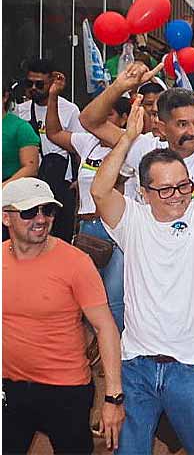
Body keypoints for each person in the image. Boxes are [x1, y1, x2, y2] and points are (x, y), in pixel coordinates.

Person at [92, 83, 194, 455]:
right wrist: (127, 138)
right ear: (144, 193)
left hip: (191, 368)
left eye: (183, 186)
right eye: (165, 189)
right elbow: (100, 191)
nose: (177, 195)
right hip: (137, 366)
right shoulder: (132, 221)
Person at [3, 177, 124, 453]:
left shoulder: (76, 263)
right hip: (9, 389)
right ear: (6, 217)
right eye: (29, 212)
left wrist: (113, 398)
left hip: (66, 391)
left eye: (48, 210)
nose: (41, 219)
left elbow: (105, 328)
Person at [44, 71, 132, 331]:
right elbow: (53, 133)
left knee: (115, 301)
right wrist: (53, 96)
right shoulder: (88, 143)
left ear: (124, 119)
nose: (100, 121)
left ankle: (118, 351)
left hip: (117, 233)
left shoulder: (133, 147)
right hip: (87, 230)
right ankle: (96, 346)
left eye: (109, 115)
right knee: (86, 300)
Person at [15, 57, 82, 240]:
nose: (33, 88)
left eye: (39, 84)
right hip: (31, 180)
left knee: (61, 235)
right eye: (29, 84)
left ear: (51, 82)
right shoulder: (20, 110)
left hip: (62, 182)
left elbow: (79, 148)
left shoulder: (70, 110)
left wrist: (79, 180)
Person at [2, 81, 39, 183]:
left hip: (10, 187)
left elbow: (31, 168)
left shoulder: (21, 127)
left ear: (5, 97)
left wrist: (4, 187)